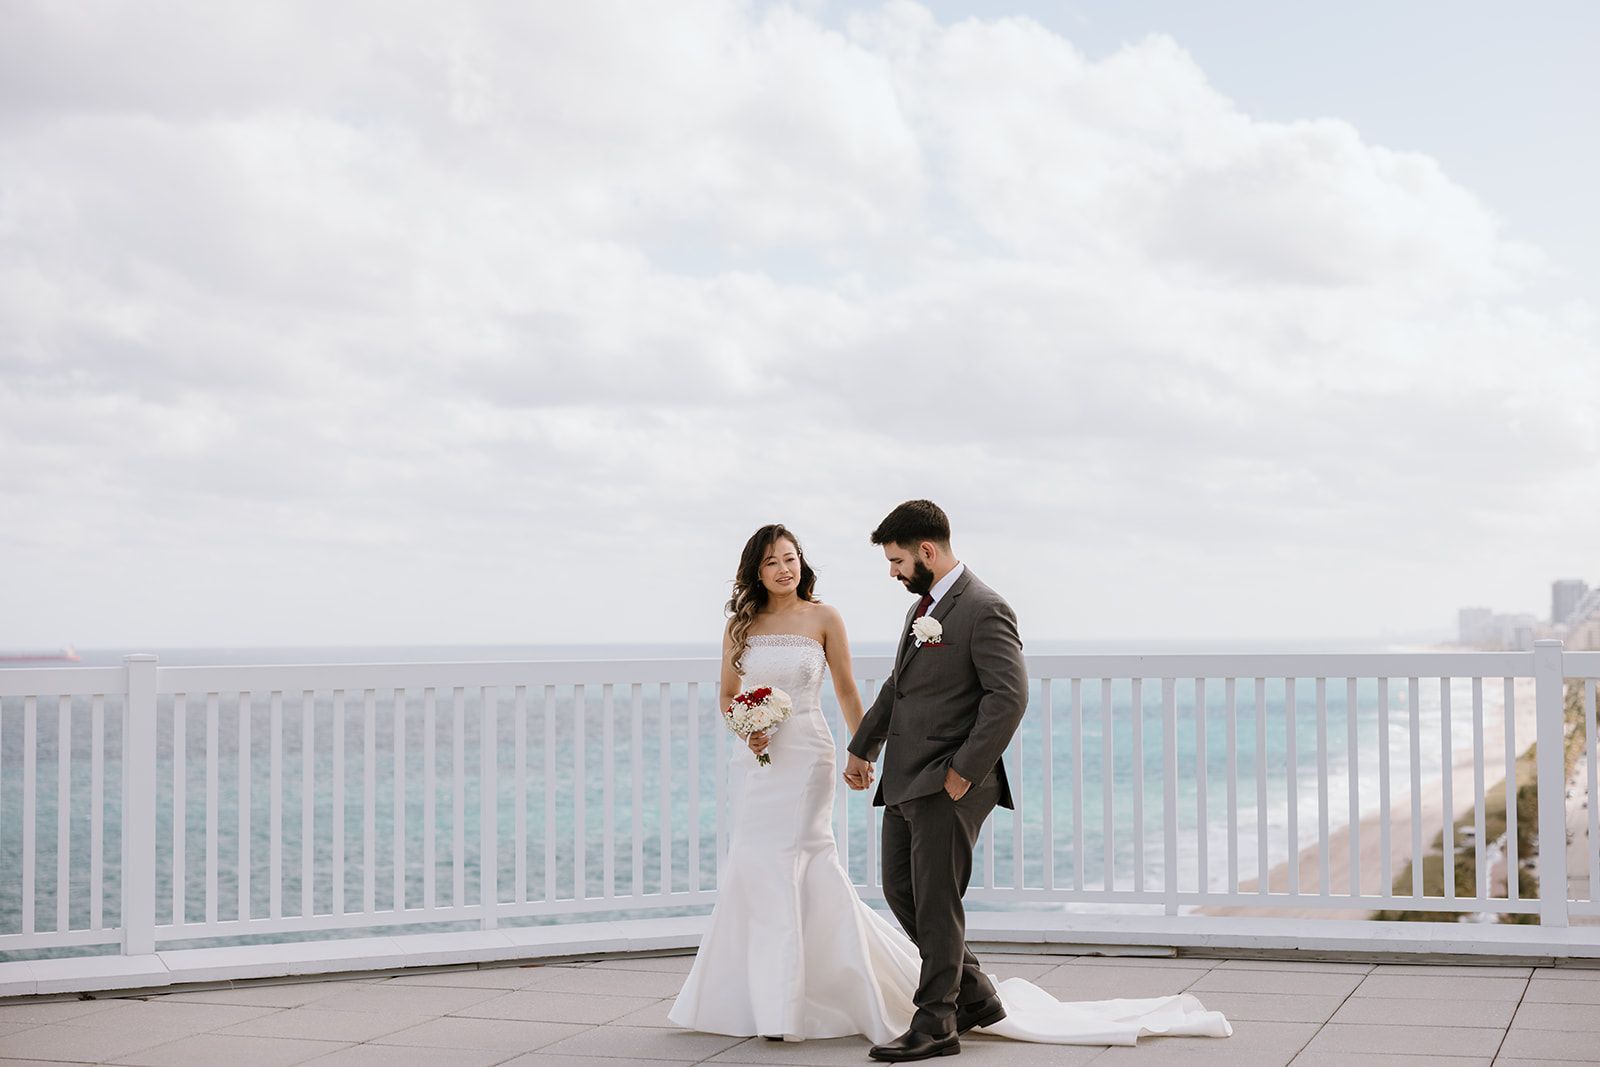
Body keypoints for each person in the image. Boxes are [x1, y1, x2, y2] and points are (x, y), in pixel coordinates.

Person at [669, 511, 1230, 1060]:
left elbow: (1008, 697)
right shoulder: (924, 607)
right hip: (905, 775)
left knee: (936, 901)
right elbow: (899, 687)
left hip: (950, 780)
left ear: (925, 552)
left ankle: (937, 1019)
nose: (891, 572)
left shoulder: (985, 608)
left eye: (895, 560)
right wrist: (864, 747)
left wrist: (965, 770)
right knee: (901, 891)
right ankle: (978, 995)